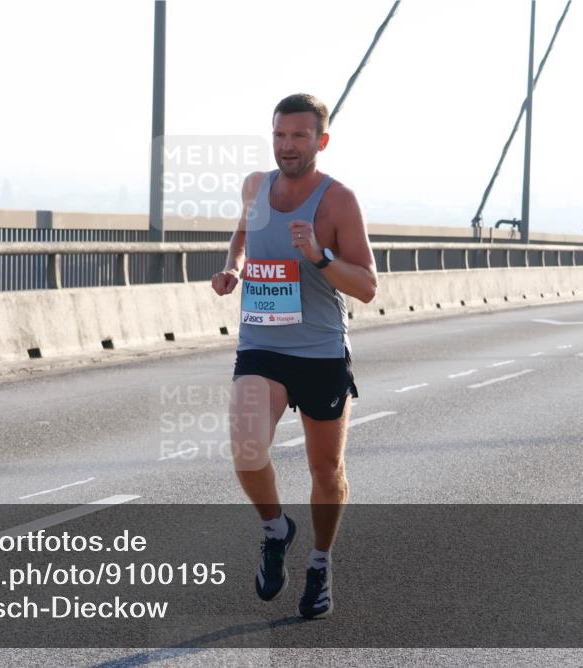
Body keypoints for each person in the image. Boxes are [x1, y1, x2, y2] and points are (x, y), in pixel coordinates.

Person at [210, 93, 377, 619]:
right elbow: (242, 236)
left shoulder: (338, 201)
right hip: (261, 344)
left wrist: (320, 257)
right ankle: (275, 528)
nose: (287, 146)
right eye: (280, 135)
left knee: (326, 470)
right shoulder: (254, 187)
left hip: (320, 352)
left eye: (299, 136)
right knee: (246, 448)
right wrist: (233, 268)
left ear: (320, 141)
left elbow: (367, 286)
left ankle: (320, 563)